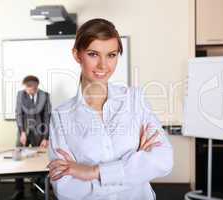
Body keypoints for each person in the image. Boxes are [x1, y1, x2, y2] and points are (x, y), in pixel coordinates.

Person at [48, 18, 174, 200]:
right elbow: (66, 188)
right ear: (77, 55)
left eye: (111, 55)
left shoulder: (135, 100)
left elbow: (163, 160)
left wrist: (93, 172)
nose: (103, 65)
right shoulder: (61, 115)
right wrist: (136, 168)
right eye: (93, 54)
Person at [11, 75, 51, 200]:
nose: (27, 90)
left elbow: (47, 117)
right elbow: (18, 114)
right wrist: (22, 131)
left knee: (39, 158)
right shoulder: (20, 94)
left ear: (36, 87)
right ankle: (19, 189)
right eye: (26, 88)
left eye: (29, 88)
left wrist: (45, 137)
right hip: (24, 131)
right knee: (18, 158)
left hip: (39, 132)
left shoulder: (45, 95)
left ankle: (37, 185)